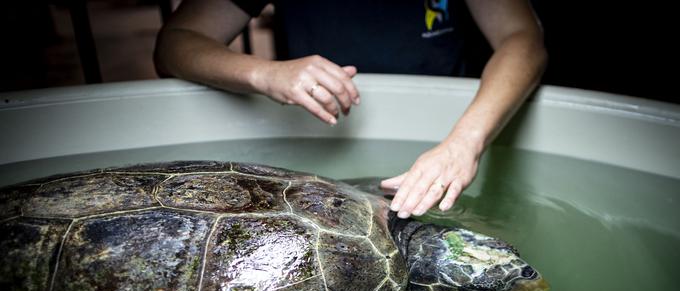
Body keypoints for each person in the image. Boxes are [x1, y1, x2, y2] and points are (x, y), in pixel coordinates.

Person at [154, 0, 547, 218]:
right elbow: (174, 43)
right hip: (311, 153)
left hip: (444, 142)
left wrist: (465, 143)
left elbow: (523, 38)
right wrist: (264, 74)